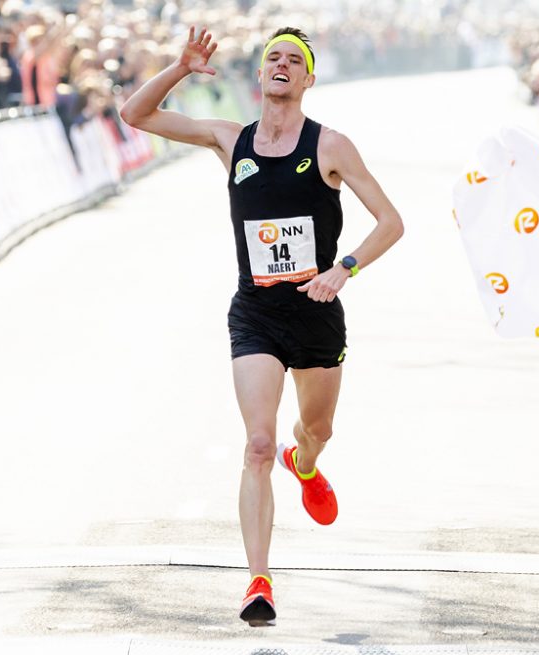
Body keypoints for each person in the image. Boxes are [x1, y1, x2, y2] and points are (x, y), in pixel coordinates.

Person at [119, 26, 403, 626]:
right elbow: (135, 113)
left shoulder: (331, 145)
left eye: (292, 60)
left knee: (317, 427)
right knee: (256, 445)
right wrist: (179, 68)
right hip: (255, 312)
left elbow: (390, 222)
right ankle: (259, 581)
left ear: (307, 79)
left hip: (318, 311)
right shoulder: (231, 140)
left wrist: (342, 269)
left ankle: (306, 462)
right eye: (272, 56)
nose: (280, 64)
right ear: (260, 75)